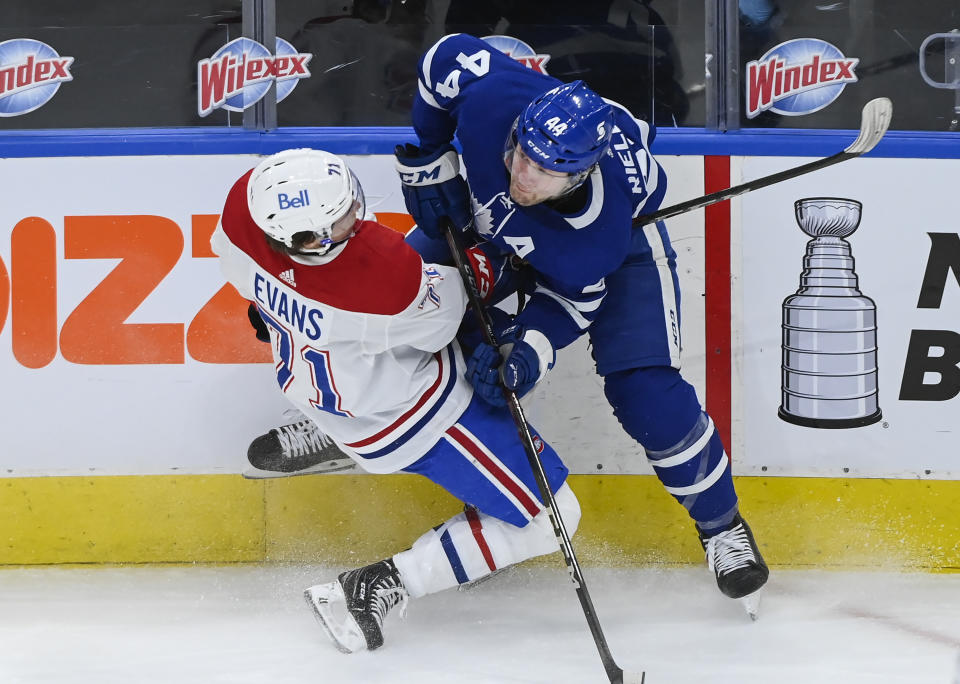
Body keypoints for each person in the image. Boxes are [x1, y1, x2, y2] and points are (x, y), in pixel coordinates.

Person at [393, 32, 769, 608]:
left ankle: (722, 527)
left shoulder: (595, 239)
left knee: (646, 392)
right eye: (520, 152)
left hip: (622, 251)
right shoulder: (497, 103)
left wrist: (526, 352)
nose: (522, 173)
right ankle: (353, 408)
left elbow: (575, 299)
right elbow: (442, 54)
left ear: (578, 175)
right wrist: (431, 154)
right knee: (405, 281)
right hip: (513, 229)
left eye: (544, 171)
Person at [210, 148, 580, 652]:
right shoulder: (382, 278)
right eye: (340, 220)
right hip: (413, 416)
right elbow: (449, 313)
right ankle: (379, 583)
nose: (353, 219)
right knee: (553, 517)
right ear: (312, 240)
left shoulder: (240, 221)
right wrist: (495, 262)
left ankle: (335, 440)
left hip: (327, 391)